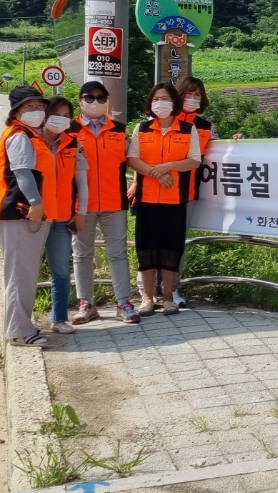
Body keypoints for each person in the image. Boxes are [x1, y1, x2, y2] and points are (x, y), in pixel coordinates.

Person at [0, 87, 53, 347]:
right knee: (20, 275)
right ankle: (19, 332)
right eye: (29, 107)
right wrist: (36, 203)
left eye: (39, 106)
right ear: (16, 111)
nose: (37, 111)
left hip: (25, 212)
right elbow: (22, 172)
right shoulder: (20, 136)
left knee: (23, 273)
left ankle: (20, 326)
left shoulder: (29, 134)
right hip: (21, 212)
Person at [127, 82, 203, 316]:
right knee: (146, 249)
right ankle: (147, 298)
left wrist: (167, 166)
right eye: (156, 99)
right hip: (147, 198)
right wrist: (156, 173)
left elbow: (194, 160)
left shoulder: (187, 130)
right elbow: (132, 159)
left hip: (175, 199)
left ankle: (169, 297)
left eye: (166, 99)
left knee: (171, 248)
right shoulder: (142, 128)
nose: (161, 103)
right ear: (151, 103)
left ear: (174, 103)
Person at [70, 81, 141, 325]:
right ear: (80, 100)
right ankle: (86, 304)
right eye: (89, 97)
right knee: (82, 254)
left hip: (114, 201)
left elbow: (134, 159)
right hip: (81, 205)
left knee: (118, 253)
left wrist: (137, 182)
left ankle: (123, 303)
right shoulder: (69, 130)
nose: (95, 102)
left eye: (101, 98)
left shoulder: (119, 130)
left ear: (107, 101)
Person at [36, 96, 88, 334]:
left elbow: (82, 183)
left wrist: (81, 212)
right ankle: (22, 321)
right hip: (33, 219)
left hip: (61, 218)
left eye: (67, 116)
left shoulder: (73, 144)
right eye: (56, 114)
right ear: (45, 115)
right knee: (26, 271)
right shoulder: (30, 139)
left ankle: (58, 319)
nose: (61, 119)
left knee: (60, 271)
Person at [169, 75, 215, 310]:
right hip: (157, 190)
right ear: (179, 95)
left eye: (197, 95)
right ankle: (148, 291)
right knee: (153, 240)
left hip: (187, 192)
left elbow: (219, 148)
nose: (193, 98)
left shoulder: (206, 127)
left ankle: (172, 288)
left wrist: (236, 141)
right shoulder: (164, 120)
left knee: (178, 243)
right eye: (189, 94)